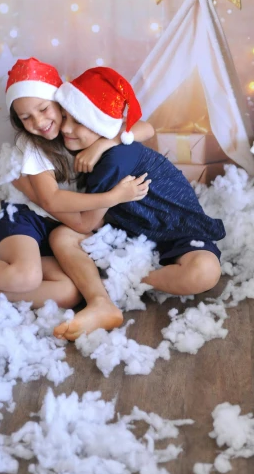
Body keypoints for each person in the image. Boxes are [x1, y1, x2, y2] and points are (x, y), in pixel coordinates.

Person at [0, 58, 152, 315]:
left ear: (60, 102)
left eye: (44, 109)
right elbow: (52, 200)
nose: (39, 122)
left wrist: (103, 144)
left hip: (56, 227)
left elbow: (146, 128)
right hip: (23, 220)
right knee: (26, 276)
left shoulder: (81, 124)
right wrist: (112, 197)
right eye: (26, 117)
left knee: (69, 293)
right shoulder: (33, 146)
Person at [42, 66, 226, 340]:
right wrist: (103, 142)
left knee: (206, 272)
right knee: (61, 236)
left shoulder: (114, 161)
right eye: (65, 117)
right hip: (127, 230)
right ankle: (100, 299)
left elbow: (87, 220)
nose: (66, 128)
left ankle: (125, 279)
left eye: (79, 121)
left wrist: (48, 200)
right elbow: (141, 128)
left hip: (175, 232)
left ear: (102, 124)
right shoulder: (95, 146)